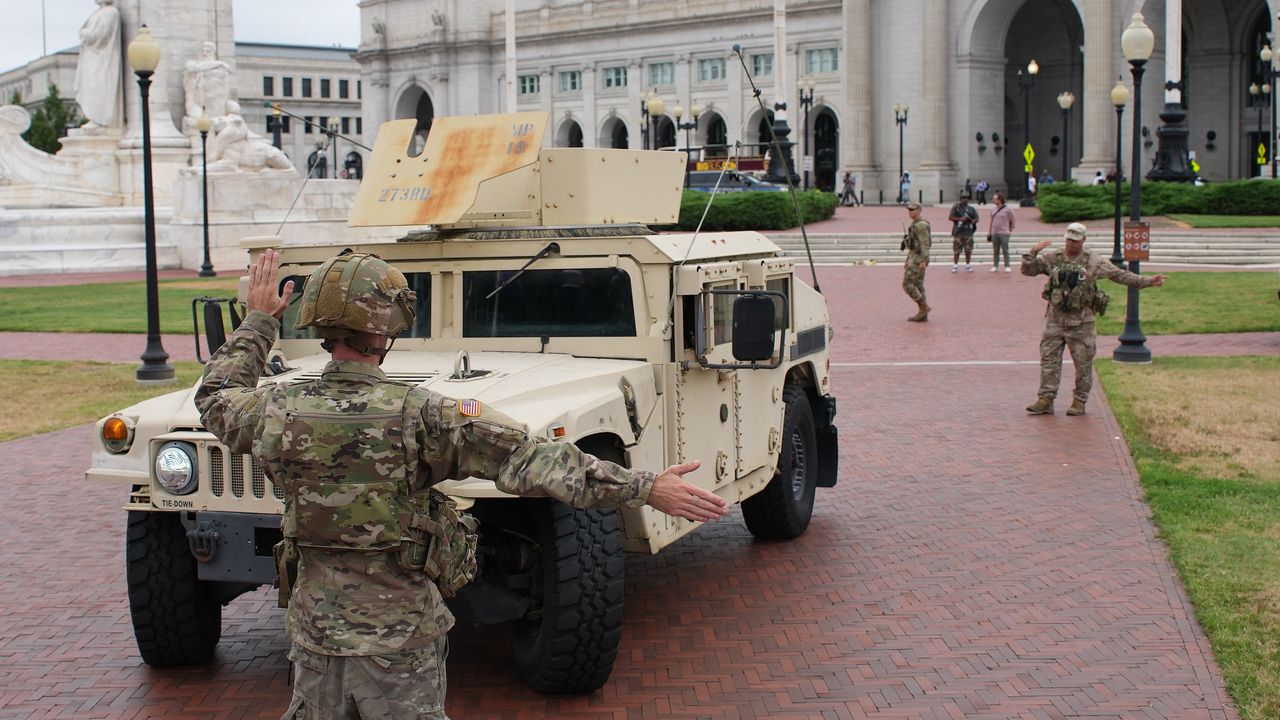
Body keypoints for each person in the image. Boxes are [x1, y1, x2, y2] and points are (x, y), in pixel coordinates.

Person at [196, 250, 729, 719]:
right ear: (386, 331)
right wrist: (644, 487)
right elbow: (535, 460)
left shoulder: (275, 411)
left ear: (320, 325)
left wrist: (259, 320)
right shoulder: (426, 415)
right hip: (401, 638)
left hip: (315, 636)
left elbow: (216, 397)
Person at [1020, 223, 1167, 416]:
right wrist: (1032, 252)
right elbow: (1028, 270)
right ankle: (1046, 399)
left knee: (1083, 364)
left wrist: (1148, 281)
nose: (1071, 243)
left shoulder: (1094, 262)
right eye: (1069, 239)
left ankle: (1079, 401)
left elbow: (1120, 275)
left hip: (1082, 323)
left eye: (1075, 240)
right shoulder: (1054, 258)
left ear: (1083, 240)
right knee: (1049, 361)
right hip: (1055, 320)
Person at [73, 0, 121, 129]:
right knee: (91, 86)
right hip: (93, 57)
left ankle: (99, 119)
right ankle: (94, 118)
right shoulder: (100, 12)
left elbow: (100, 35)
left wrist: (85, 33)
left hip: (100, 58)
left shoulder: (110, 12)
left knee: (97, 85)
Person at [901, 201, 932, 321]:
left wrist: (923, 260)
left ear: (919, 210)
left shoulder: (921, 225)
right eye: (909, 210)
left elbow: (925, 244)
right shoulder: (915, 224)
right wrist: (907, 259)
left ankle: (924, 307)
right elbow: (913, 246)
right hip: (914, 257)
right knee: (918, 285)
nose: (910, 212)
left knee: (907, 284)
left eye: (912, 209)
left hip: (919, 259)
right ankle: (923, 314)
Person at [947, 192, 979, 272]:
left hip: (968, 232)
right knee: (956, 250)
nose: (965, 199)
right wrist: (961, 219)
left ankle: (968, 265)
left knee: (968, 250)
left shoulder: (971, 209)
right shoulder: (956, 207)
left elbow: (977, 218)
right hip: (958, 232)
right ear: (960, 199)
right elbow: (950, 217)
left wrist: (971, 221)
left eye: (967, 198)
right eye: (964, 198)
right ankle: (955, 265)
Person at [987, 191, 1015, 273]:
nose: (993, 200)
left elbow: (1013, 219)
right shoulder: (993, 210)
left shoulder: (1008, 209)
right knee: (996, 250)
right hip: (995, 232)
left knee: (1005, 250)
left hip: (1004, 232)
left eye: (995, 199)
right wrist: (989, 232)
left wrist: (1011, 228)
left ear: (999, 200)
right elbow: (991, 221)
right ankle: (995, 266)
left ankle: (1007, 266)